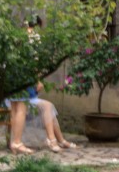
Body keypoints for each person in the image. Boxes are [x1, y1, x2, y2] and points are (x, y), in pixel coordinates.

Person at [6, 16, 75, 154]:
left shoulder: (16, 37)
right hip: (22, 76)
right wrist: (37, 78)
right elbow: (32, 61)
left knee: (16, 108)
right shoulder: (31, 37)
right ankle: (17, 142)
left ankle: (16, 142)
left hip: (12, 77)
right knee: (20, 108)